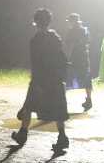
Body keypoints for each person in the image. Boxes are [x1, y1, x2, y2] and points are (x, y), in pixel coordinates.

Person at [13, 8, 70, 152]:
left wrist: (37, 81)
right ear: (49, 21)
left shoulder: (36, 40)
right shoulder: (55, 37)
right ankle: (62, 137)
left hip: (41, 79)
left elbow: (37, 62)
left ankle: (23, 134)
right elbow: (63, 58)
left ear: (36, 22)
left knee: (28, 106)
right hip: (55, 79)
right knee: (58, 108)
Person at [65, 13, 93, 111]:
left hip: (75, 59)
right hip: (84, 58)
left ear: (73, 21)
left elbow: (70, 46)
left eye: (69, 21)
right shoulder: (85, 30)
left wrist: (67, 58)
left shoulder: (72, 31)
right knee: (86, 79)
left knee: (67, 78)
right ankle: (89, 100)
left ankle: (62, 100)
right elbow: (88, 43)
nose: (69, 23)